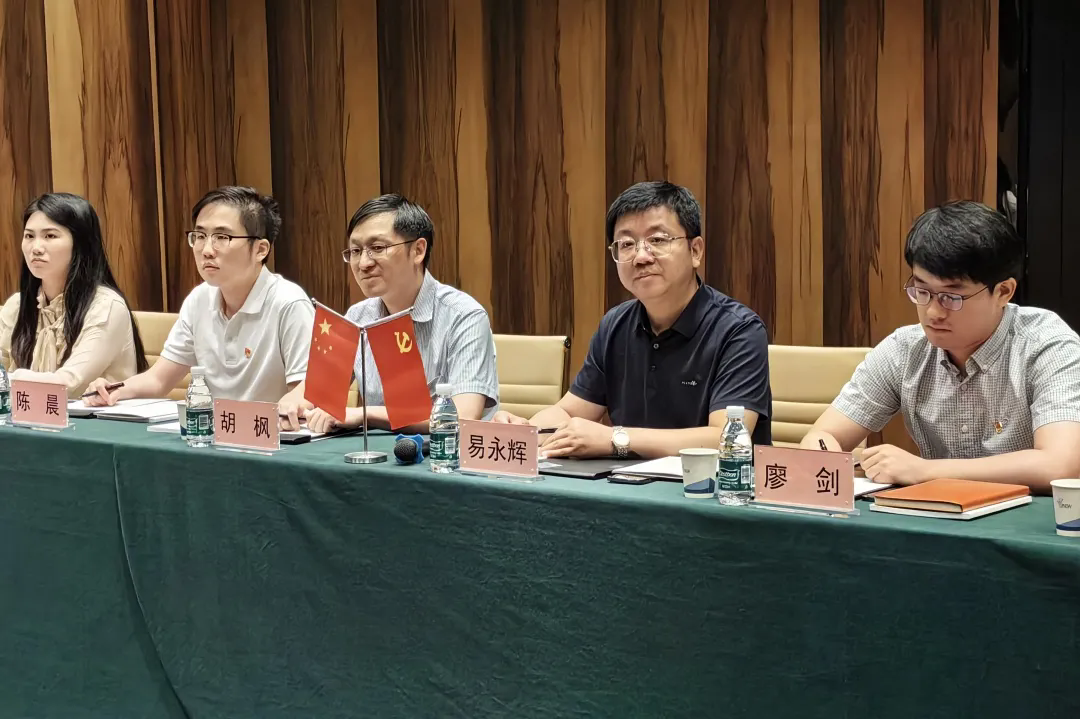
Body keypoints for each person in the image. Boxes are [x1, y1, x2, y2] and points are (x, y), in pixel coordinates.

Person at [800, 201, 1080, 493]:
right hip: (936, 514)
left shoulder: (1047, 346)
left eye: (951, 297)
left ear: (1003, 292)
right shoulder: (904, 350)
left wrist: (925, 471)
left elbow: (1061, 466)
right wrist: (823, 451)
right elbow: (823, 434)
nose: (933, 312)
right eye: (922, 291)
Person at [494, 181, 771, 459]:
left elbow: (725, 438)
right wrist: (525, 430)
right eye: (626, 244)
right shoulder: (615, 325)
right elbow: (568, 412)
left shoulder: (738, 330)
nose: (640, 257)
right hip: (624, 481)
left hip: (710, 485)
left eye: (658, 240)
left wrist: (615, 438)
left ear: (695, 250)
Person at [279, 194, 498, 432]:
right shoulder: (358, 316)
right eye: (355, 251)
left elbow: (463, 417)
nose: (363, 263)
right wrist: (292, 403)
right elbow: (313, 393)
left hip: (441, 452)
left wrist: (365, 415)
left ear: (418, 250)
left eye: (377, 248)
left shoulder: (464, 315)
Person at [85, 186, 314, 406]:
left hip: (270, 431)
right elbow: (158, 380)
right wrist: (113, 389)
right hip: (214, 430)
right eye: (200, 235)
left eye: (222, 237)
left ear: (260, 250)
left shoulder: (289, 303)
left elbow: (305, 392)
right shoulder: (200, 299)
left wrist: (294, 403)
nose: (206, 250)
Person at [0, 192, 147, 398]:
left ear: (79, 243)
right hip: (28, 416)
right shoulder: (17, 305)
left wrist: (8, 380)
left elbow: (69, 385)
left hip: (93, 417)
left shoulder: (106, 306)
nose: (36, 248)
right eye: (29, 236)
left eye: (50, 236)